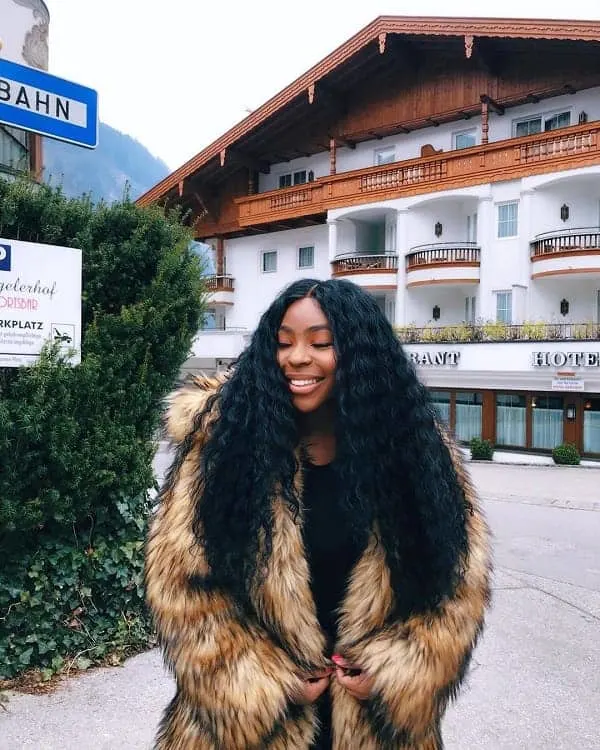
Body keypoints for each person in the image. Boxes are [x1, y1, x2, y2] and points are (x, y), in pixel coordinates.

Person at [145, 278, 492, 750]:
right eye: (283, 344)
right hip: (251, 729)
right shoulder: (225, 448)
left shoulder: (414, 457)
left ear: (360, 356)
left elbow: (457, 588)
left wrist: (396, 674)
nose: (297, 358)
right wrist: (270, 684)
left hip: (375, 724)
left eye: (321, 343)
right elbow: (184, 592)